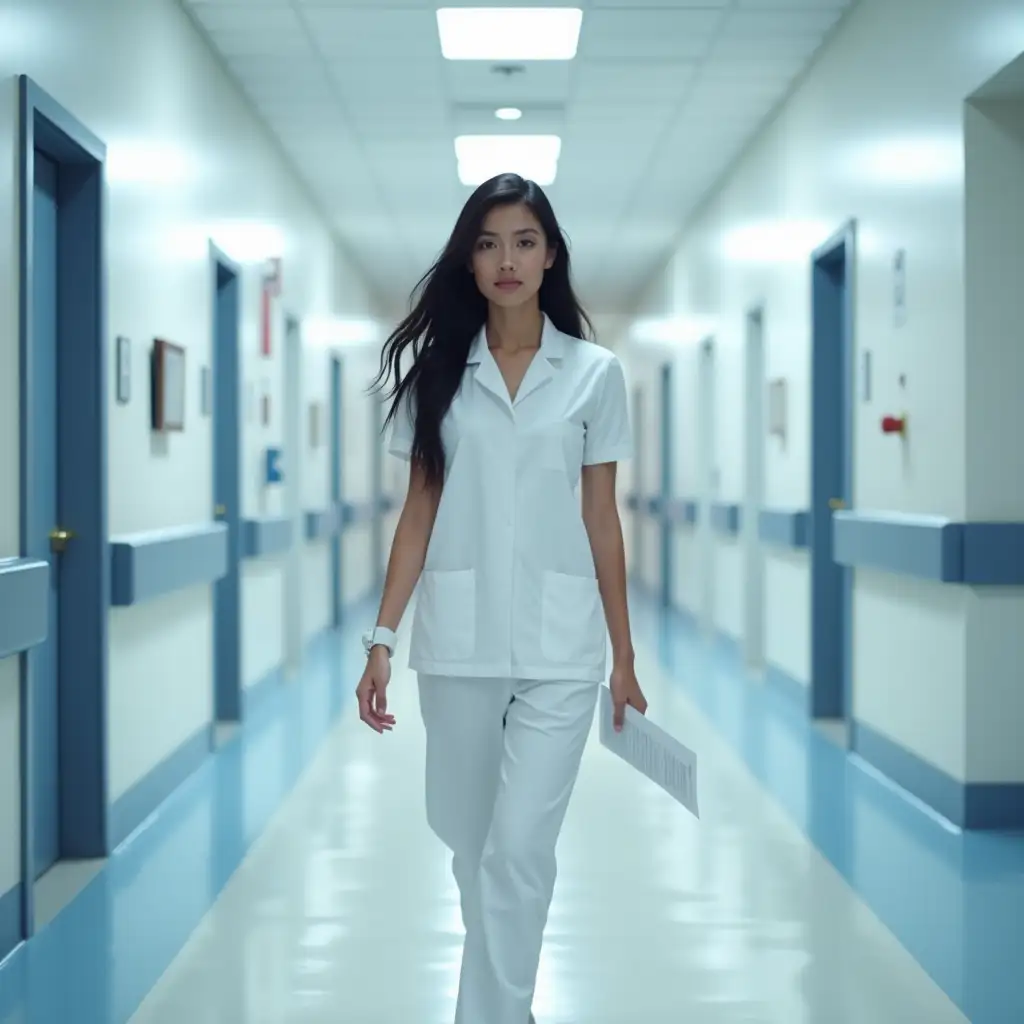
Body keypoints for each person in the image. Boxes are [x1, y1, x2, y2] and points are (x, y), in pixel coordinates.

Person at [356, 172, 648, 1024]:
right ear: (470, 261)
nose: (506, 259)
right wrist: (382, 637)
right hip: (458, 642)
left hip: (562, 649)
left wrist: (624, 657)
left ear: (550, 254)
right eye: (487, 244)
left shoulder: (595, 375)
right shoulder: (438, 377)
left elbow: (602, 516)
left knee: (519, 850)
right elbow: (418, 512)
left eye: (524, 241)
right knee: (471, 846)